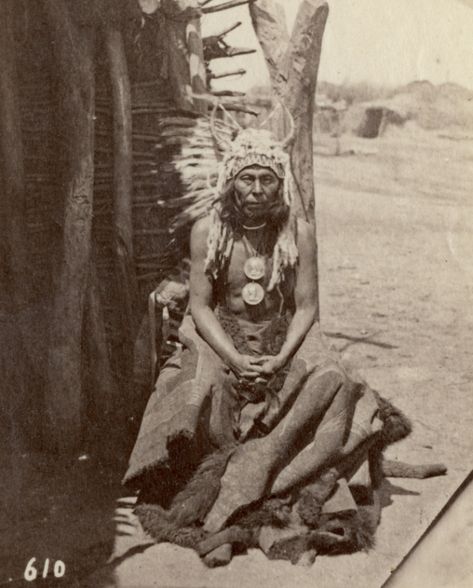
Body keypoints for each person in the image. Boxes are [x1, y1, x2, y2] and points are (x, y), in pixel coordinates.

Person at [123, 119, 414, 565]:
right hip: (223, 336)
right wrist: (235, 357)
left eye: (267, 179)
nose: (257, 189)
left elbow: (306, 307)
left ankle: (278, 492)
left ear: (280, 186)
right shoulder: (208, 231)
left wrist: (281, 357)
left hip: (283, 336)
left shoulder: (298, 234)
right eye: (247, 179)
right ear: (230, 182)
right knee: (196, 390)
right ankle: (214, 504)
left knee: (335, 381)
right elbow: (200, 307)